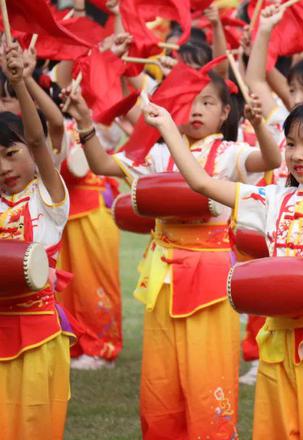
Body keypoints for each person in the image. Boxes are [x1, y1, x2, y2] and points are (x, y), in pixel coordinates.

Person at [141, 78, 303, 439]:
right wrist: (167, 127)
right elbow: (203, 184)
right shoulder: (274, 200)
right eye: (293, 145)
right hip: (276, 340)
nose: (297, 155)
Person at [63, 70, 281, 438]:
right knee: (161, 375)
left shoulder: (230, 154)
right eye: (189, 102)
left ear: (226, 112)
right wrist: (85, 121)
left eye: (207, 102)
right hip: (162, 276)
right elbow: (103, 165)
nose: (197, 110)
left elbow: (271, 159)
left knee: (206, 371)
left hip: (209, 277)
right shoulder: (157, 153)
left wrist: (259, 125)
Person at [0, 39, 73, 440]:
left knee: (34, 428)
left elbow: (39, 138)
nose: (4, 167)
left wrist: (20, 83)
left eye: (10, 154)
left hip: (38, 333)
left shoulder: (48, 198)